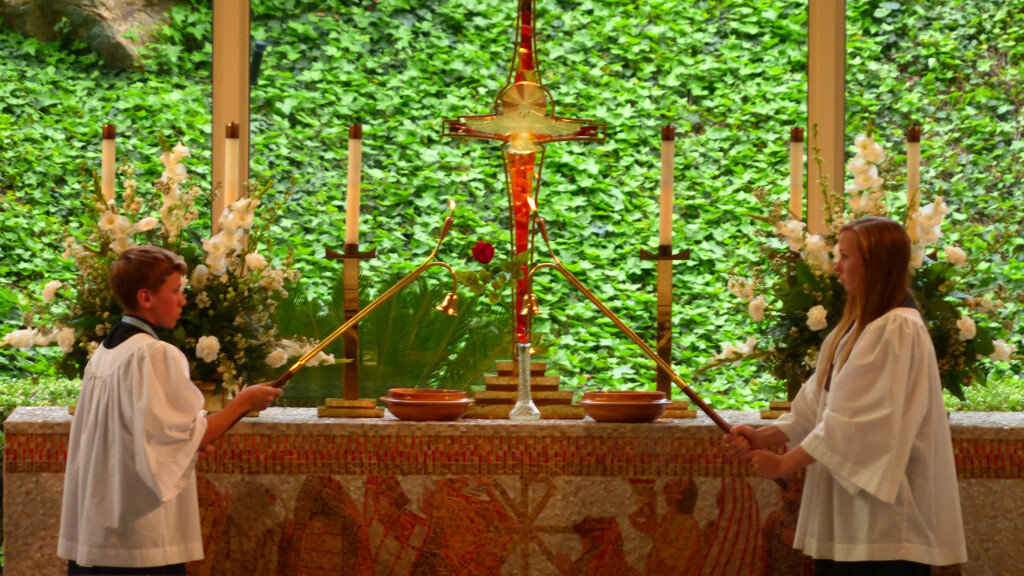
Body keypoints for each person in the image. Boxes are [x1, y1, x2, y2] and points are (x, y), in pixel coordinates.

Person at [725, 216, 967, 576]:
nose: (836, 267)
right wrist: (765, 436)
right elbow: (818, 403)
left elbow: (858, 421)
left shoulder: (897, 328)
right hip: (848, 514)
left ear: (876, 265)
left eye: (846, 257)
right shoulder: (857, 327)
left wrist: (784, 463)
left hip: (883, 520)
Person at [58, 245, 282, 575]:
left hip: (99, 524)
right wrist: (244, 402)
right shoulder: (154, 354)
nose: (183, 301)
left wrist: (186, 442)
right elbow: (179, 439)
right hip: (138, 534)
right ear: (145, 297)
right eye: (176, 291)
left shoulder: (105, 353)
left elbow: (151, 436)